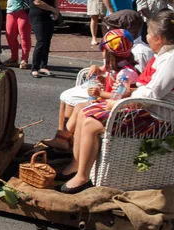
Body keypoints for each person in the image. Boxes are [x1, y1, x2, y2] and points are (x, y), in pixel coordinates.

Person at [59, 11, 174, 193]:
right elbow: (151, 89)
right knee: (84, 112)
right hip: (148, 108)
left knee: (91, 123)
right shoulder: (164, 56)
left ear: (159, 38)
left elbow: (153, 93)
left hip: (160, 118)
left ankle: (83, 176)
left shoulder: (171, 60)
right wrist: (130, 93)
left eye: (149, 34)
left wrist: (125, 99)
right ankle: (77, 164)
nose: (147, 37)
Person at [42, 28, 140, 151]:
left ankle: (65, 140)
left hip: (118, 109)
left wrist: (100, 93)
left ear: (109, 53)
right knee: (78, 106)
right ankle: (63, 139)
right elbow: (103, 69)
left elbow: (119, 96)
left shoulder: (125, 73)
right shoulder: (115, 66)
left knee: (81, 108)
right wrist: (96, 68)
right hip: (108, 103)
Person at [0, 0, 32, 69]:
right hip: (11, 10)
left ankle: (24, 59)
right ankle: (14, 57)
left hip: (23, 10)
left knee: (24, 35)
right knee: (10, 35)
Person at [28, 0, 59, 78]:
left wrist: (56, 10)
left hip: (49, 16)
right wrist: (52, 9)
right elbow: (37, 2)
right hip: (38, 16)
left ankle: (43, 65)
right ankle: (34, 67)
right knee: (41, 41)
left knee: (47, 41)